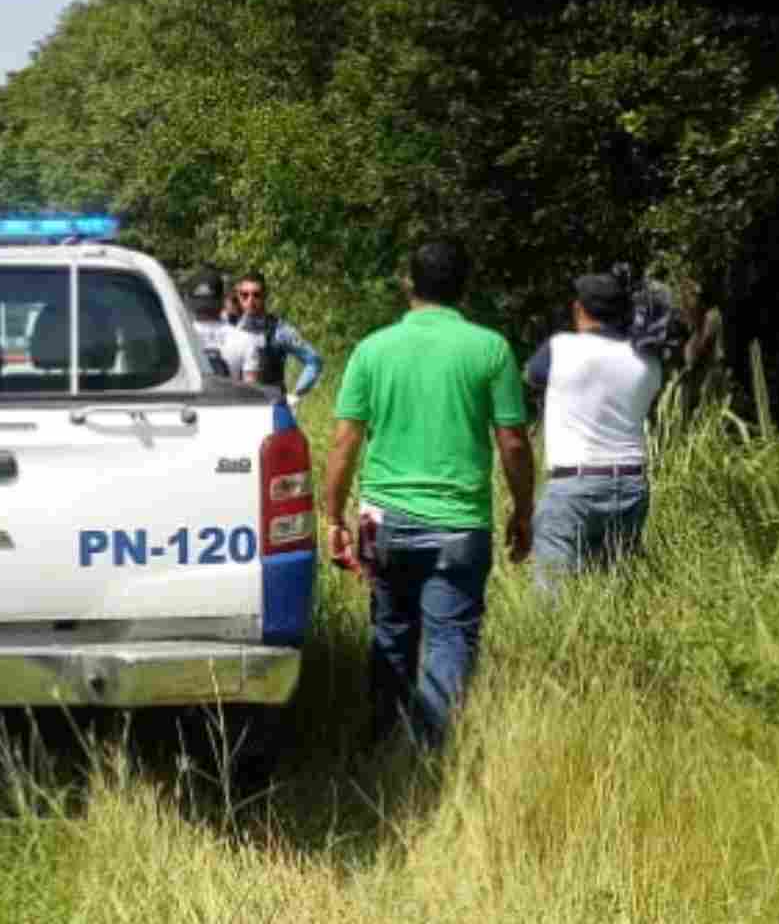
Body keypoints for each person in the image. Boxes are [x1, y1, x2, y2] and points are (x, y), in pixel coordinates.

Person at [322, 240, 536, 751]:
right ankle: (426, 754)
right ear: (464, 286)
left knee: (390, 630)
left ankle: (379, 741)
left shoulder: (372, 349)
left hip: (380, 519)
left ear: (407, 283)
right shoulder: (489, 349)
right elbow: (512, 441)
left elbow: (344, 440)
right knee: (449, 640)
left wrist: (333, 517)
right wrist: (524, 510)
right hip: (459, 524)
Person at [523, 271, 663, 595]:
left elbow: (532, 376)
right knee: (614, 594)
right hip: (631, 484)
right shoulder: (649, 359)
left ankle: (558, 643)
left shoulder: (560, 348)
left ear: (578, 309)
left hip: (574, 485)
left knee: (552, 597)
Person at [229, 272, 324, 408]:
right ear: (238, 296)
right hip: (240, 410)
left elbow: (314, 361)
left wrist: (296, 394)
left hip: (274, 410)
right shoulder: (231, 331)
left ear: (265, 295)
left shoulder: (280, 330)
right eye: (245, 295)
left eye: (256, 294)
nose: (250, 300)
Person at [183, 268, 256, 380]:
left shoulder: (177, 340)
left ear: (188, 301)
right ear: (223, 299)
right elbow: (252, 391)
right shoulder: (246, 340)